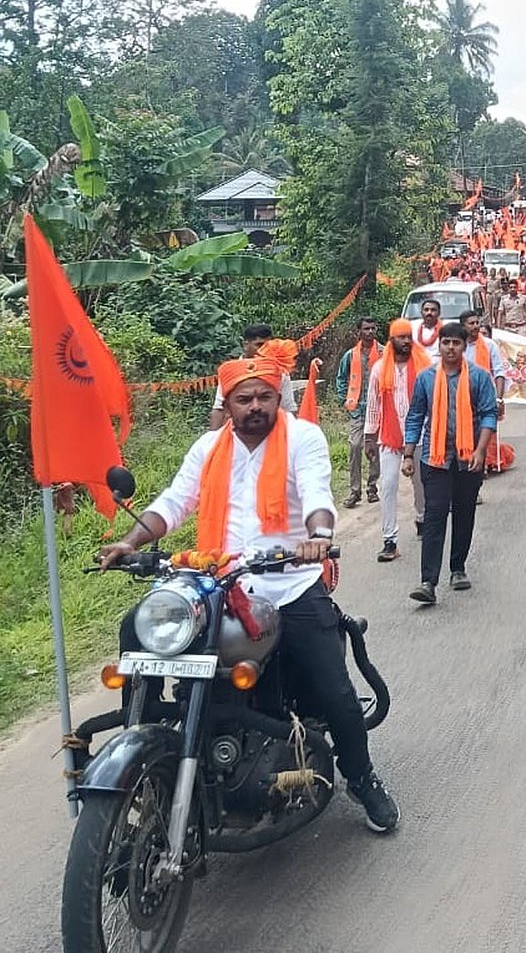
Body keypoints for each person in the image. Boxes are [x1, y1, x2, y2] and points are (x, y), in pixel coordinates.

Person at [101, 352, 398, 832]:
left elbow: (318, 495)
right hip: (216, 583)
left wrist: (318, 537)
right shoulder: (208, 448)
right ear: (229, 402)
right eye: (244, 398)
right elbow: (175, 502)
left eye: (264, 396)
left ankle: (362, 778)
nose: (255, 405)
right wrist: (131, 541)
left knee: (335, 690)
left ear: (278, 397)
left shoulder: (303, 438)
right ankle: (145, 748)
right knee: (138, 630)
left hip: (288, 584)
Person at [402, 322, 498, 605]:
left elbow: (489, 415)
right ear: (440, 345)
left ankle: (458, 568)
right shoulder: (426, 379)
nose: (451, 348)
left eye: (457, 343)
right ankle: (428, 581)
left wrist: (481, 451)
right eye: (447, 343)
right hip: (435, 457)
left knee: (464, 512)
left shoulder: (479, 378)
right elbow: (416, 416)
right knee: (434, 515)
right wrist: (408, 455)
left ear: (465, 346)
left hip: (469, 458)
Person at [367, 320, 431, 562]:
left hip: (420, 436)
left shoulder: (425, 366)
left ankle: (422, 516)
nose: (405, 341)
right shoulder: (379, 369)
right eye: (400, 337)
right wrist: (369, 437)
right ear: (391, 340)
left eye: (408, 336)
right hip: (390, 438)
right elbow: (373, 404)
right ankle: (389, 540)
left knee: (420, 484)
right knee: (388, 485)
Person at [209, 322, 296, 428]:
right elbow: (218, 409)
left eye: (268, 345)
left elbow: (288, 409)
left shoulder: (280, 372)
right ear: (245, 345)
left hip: (272, 433)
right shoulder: (231, 371)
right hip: (235, 434)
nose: (265, 350)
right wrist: (214, 439)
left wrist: (292, 439)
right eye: (259, 345)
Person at [335, 317, 382, 509]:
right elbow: (341, 378)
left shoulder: (384, 353)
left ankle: (372, 487)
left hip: (378, 409)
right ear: (359, 332)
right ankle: (355, 491)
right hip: (357, 410)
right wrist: (344, 400)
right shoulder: (350, 355)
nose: (370, 332)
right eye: (366, 329)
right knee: (354, 446)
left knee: (375, 448)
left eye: (372, 328)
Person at [463, 311, 508, 426]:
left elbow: (499, 372)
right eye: (471, 323)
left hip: (486, 398)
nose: (476, 326)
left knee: (487, 434)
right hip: (462, 397)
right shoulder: (458, 345)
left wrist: (499, 399)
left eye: (477, 322)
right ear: (463, 326)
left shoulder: (490, 345)